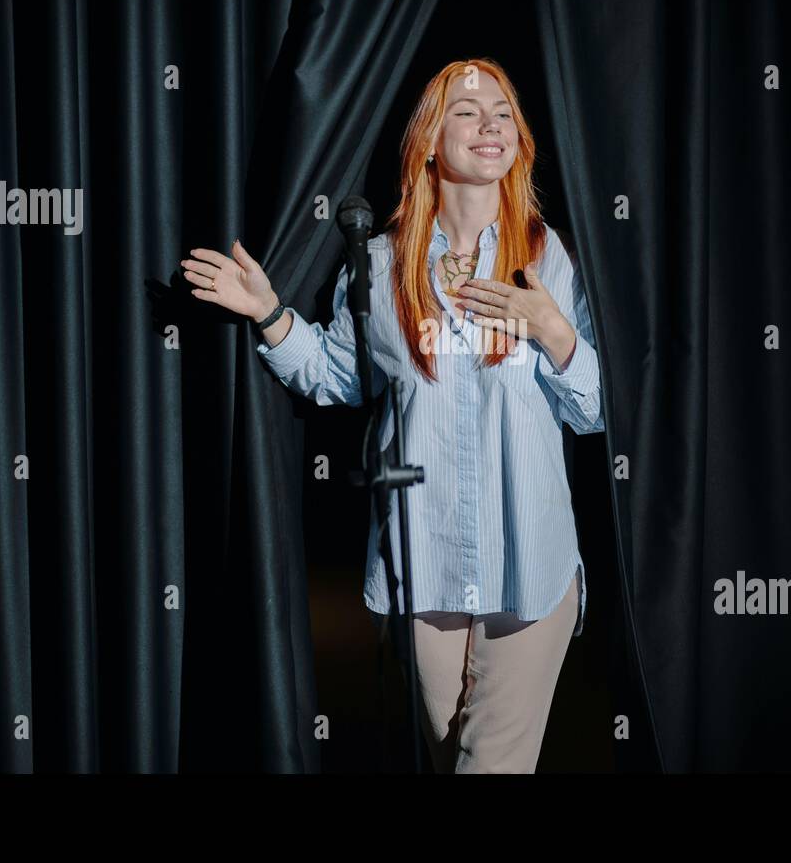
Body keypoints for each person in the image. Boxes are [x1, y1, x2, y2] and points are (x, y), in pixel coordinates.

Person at [180, 57, 604, 773]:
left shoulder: (546, 256)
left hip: (529, 573)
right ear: (431, 140)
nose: (490, 124)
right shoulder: (379, 264)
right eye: (468, 111)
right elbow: (338, 377)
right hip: (423, 567)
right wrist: (269, 314)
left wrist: (554, 331)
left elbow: (591, 414)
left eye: (502, 113)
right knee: (450, 762)